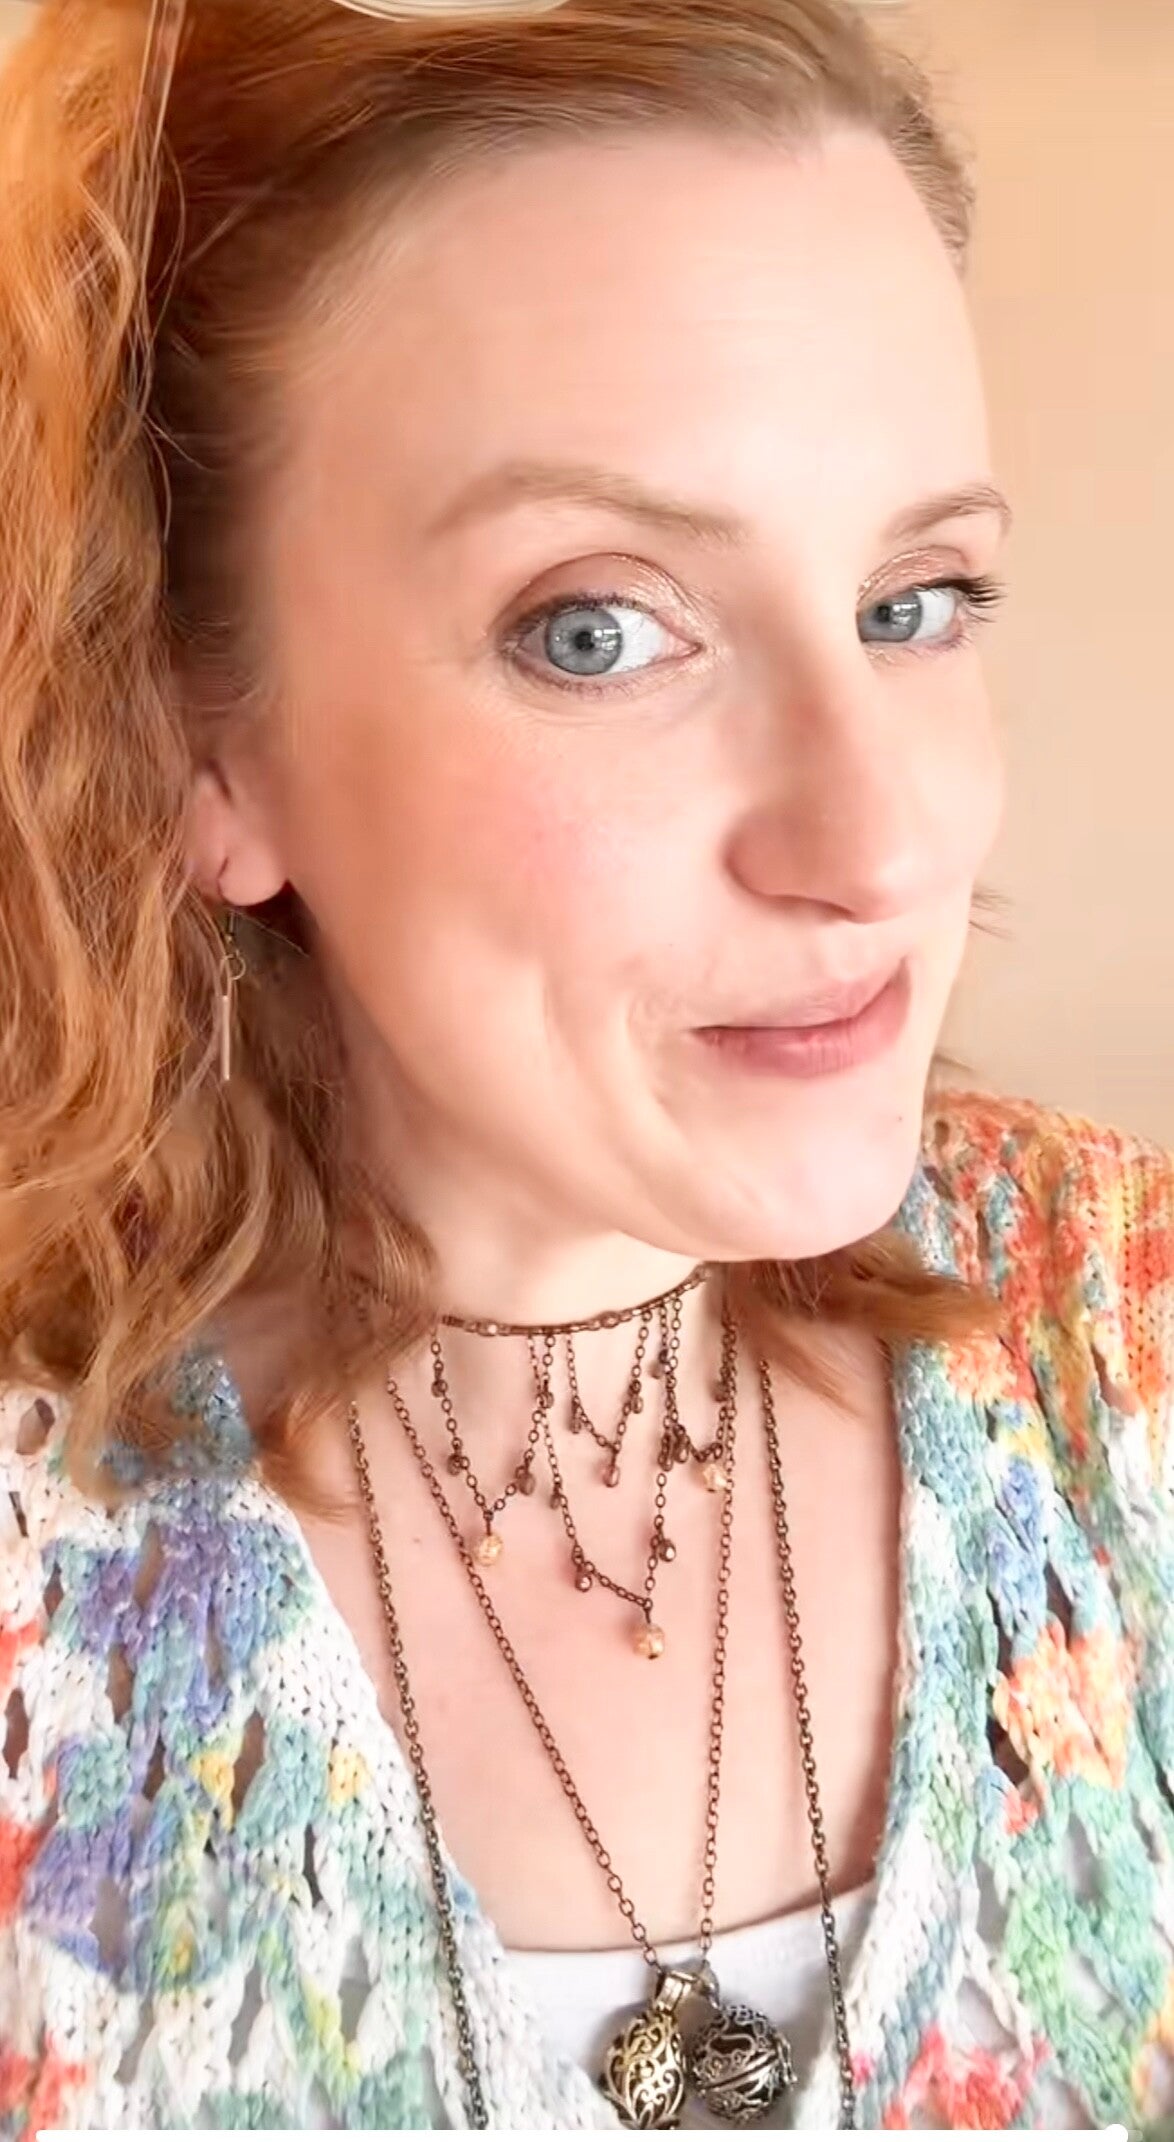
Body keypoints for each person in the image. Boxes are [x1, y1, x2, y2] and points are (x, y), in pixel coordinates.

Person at [1, 0, 1172, 2130]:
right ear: (196, 742)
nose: (877, 843)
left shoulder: (1127, 1339)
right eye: (594, 629)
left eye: (914, 600)